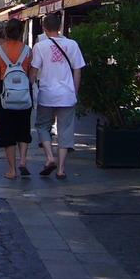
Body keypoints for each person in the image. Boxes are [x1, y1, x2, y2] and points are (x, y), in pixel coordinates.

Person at [28, 13, 86, 180]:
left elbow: (34, 70)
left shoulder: (40, 47)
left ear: (44, 29)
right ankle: (60, 168)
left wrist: (30, 86)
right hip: (67, 94)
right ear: (60, 27)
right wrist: (74, 92)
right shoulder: (73, 45)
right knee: (65, 131)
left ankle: (49, 157)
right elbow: (78, 71)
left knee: (43, 125)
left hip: (47, 94)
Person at [0, 18, 33, 179]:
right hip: (24, 91)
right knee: (24, 127)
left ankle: (12, 169)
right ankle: (22, 160)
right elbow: (30, 71)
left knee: (7, 130)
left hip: (6, 92)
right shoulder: (27, 50)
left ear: (6, 32)